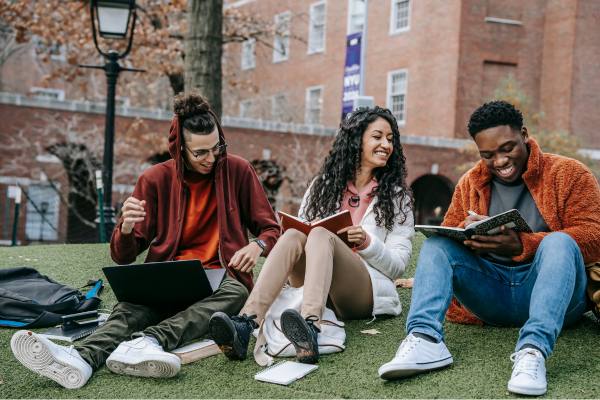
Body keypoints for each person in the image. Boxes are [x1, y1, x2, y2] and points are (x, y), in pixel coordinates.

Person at [10, 93, 280, 389]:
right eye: (200, 152)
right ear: (180, 149)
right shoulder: (154, 179)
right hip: (168, 274)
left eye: (217, 147)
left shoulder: (238, 170)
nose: (212, 158)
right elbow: (123, 256)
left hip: (220, 276)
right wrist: (125, 228)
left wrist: (258, 245)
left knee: (238, 294)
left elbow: (271, 229)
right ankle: (80, 359)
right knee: (130, 308)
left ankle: (150, 341)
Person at [378, 100, 600, 396]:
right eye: (488, 154)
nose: (500, 161)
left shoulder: (569, 173)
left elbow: (594, 234)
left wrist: (523, 244)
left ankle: (532, 351)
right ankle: (425, 339)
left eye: (507, 148)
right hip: (491, 296)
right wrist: (470, 236)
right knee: (438, 244)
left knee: (560, 241)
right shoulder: (470, 182)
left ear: (524, 133)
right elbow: (451, 232)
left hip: (556, 297)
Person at [208, 106, 414, 364]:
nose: (386, 144)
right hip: (314, 283)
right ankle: (245, 324)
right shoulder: (323, 185)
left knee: (320, 236)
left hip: (362, 293)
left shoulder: (396, 197)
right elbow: (302, 236)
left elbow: (397, 266)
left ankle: (310, 327)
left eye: (390, 139)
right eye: (377, 136)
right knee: (295, 234)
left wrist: (366, 242)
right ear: (356, 140)